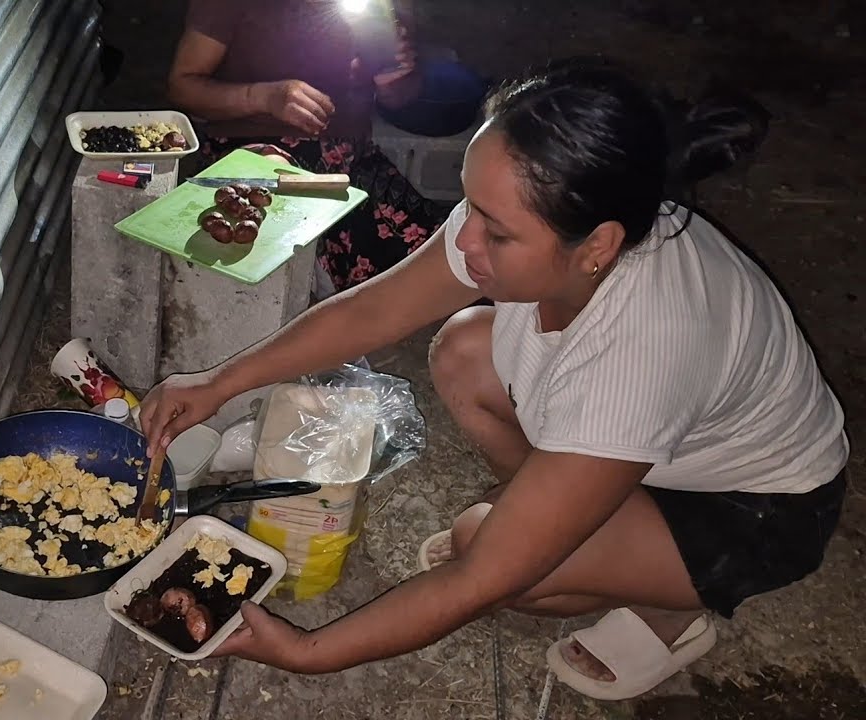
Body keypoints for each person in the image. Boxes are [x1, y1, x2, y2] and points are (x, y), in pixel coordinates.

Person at [139, 59, 849, 700]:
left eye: (497, 232)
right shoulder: (578, 216)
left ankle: (673, 607)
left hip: (754, 509)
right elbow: (379, 308)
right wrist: (218, 382)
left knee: (488, 551)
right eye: (471, 207)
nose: (464, 240)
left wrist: (310, 651)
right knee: (463, 353)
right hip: (658, 440)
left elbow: (477, 584)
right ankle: (578, 511)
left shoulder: (643, 349)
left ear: (597, 246)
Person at [168, 0, 450, 295]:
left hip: (349, 162)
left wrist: (395, 80)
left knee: (436, 261)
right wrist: (263, 97)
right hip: (253, 152)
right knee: (266, 261)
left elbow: (401, 97)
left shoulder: (380, 7)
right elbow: (182, 86)